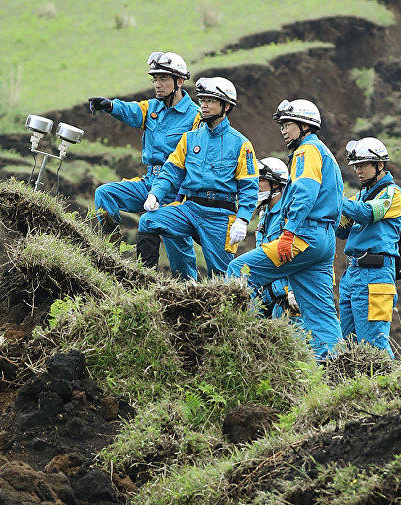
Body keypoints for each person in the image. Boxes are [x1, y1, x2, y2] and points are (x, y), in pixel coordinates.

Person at [226, 99, 342, 359]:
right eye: (282, 125)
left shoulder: (306, 151)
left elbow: (304, 191)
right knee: (320, 310)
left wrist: (288, 232)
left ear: (304, 125)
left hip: (303, 236)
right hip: (324, 240)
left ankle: (233, 341)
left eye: (288, 124)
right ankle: (338, 365)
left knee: (239, 270)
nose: (283, 130)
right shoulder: (326, 154)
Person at [88, 51, 200, 278]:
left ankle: (191, 293)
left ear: (179, 81)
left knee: (180, 257)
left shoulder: (196, 116)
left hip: (177, 191)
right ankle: (109, 256)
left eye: (163, 79)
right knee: (104, 194)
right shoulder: (152, 108)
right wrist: (108, 105)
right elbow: (130, 111)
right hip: (150, 181)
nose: (157, 85)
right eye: (154, 79)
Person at [137, 76, 258, 277]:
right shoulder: (189, 138)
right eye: (202, 100)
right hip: (190, 208)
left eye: (210, 101)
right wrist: (155, 194)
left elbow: (249, 187)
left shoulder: (241, 144)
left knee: (221, 277)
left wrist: (243, 219)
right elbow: (171, 171)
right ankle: (142, 280)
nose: (204, 105)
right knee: (148, 222)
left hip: (220, 215)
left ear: (226, 106)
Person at [336, 137, 401, 358]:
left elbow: (366, 214)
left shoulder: (393, 193)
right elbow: (341, 231)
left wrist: (337, 198)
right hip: (352, 274)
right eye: (356, 166)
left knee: (374, 345)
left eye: (363, 165)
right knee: (349, 345)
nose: (358, 171)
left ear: (380, 165)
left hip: (376, 274)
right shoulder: (358, 197)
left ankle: (393, 388)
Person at [253, 157, 300, 320]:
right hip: (265, 300)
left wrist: (294, 291)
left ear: (276, 184)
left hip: (288, 302)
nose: (255, 186)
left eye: (260, 180)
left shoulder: (289, 216)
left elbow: (299, 256)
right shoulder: (264, 217)